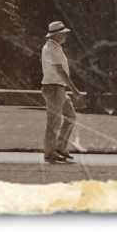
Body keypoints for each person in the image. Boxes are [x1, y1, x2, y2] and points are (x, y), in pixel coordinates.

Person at [41, 20, 82, 164]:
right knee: (54, 122)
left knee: (70, 117)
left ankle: (60, 148)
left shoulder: (55, 47)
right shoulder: (51, 48)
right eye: (64, 34)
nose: (66, 36)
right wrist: (74, 90)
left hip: (58, 88)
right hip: (53, 88)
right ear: (57, 35)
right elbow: (60, 71)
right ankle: (50, 153)